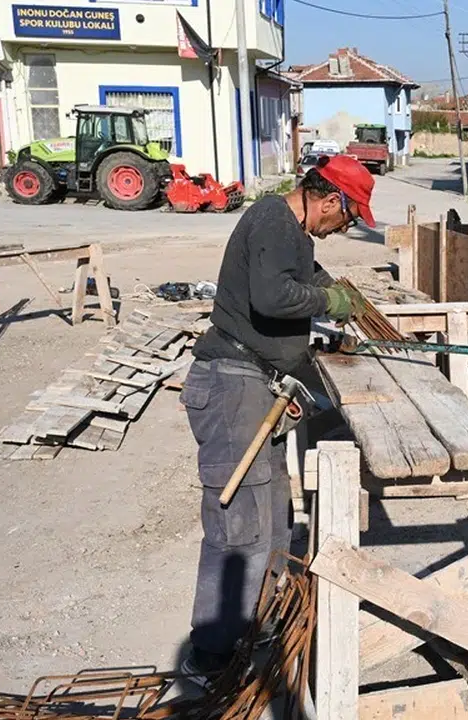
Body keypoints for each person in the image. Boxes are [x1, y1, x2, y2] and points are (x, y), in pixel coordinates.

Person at [178, 155, 375, 685]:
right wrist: (329, 299)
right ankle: (211, 656)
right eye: (349, 218)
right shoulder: (272, 219)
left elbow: (306, 276)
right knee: (236, 526)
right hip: (230, 384)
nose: (345, 228)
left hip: (257, 384)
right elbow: (273, 297)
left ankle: (256, 625)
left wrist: (339, 295)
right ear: (330, 200)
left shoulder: (295, 233)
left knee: (272, 516)